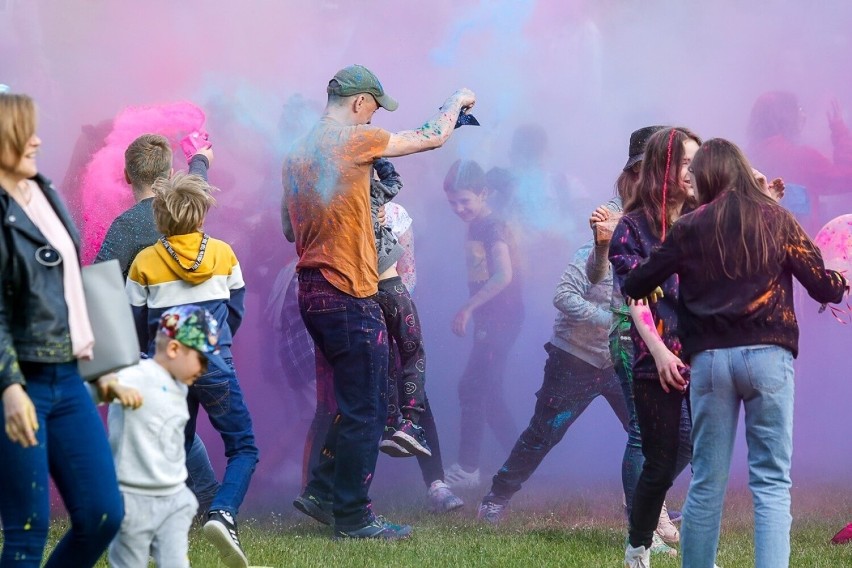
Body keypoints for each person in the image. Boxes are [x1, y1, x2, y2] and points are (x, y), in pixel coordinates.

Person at [623, 137, 848, 568]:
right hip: (768, 357)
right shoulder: (776, 219)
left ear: (706, 177)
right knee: (771, 482)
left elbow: (635, 284)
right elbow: (821, 284)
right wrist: (841, 278)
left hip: (709, 363)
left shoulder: (690, 226)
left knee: (707, 480)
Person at [282, 63, 474, 540]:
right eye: (372, 109)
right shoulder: (351, 140)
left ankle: (322, 494)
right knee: (368, 407)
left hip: (311, 291)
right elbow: (430, 137)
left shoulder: (296, 153)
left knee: (349, 402)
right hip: (349, 291)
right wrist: (456, 102)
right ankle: (354, 516)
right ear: (359, 102)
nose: (372, 119)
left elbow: (289, 229)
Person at [0, 92, 124, 567]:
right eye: (21, 132)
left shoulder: (42, 190)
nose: (36, 139)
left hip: (68, 376)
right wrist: (9, 386)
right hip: (22, 381)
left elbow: (71, 279)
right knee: (27, 530)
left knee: (102, 516)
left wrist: (100, 363)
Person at [126, 172, 258, 568]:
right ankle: (223, 514)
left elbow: (135, 322)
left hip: (166, 371)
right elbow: (235, 311)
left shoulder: (144, 261)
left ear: (160, 219)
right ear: (201, 214)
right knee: (244, 447)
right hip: (215, 363)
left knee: (173, 448)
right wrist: (218, 348)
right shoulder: (223, 254)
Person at [93, 132, 221, 516]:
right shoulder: (189, 207)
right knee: (170, 422)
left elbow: (101, 287)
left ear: (126, 176)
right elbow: (196, 180)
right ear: (169, 172)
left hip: (148, 347)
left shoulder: (126, 227)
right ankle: (200, 499)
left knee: (158, 424)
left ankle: (203, 498)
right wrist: (200, 158)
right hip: (194, 337)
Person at [476, 239, 630, 524]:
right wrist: (611, 320)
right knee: (542, 435)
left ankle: (648, 512)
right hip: (574, 359)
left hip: (621, 360)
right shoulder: (592, 253)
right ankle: (496, 498)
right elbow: (563, 296)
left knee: (646, 433)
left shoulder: (650, 252)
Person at [587, 126, 686, 554]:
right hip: (629, 334)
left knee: (685, 435)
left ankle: (651, 499)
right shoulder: (615, 212)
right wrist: (600, 246)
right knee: (643, 434)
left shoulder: (682, 208)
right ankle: (641, 528)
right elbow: (595, 276)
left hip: (676, 334)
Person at [608, 127, 700, 566]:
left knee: (704, 460)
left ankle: (700, 554)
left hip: (706, 357)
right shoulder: (632, 226)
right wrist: (661, 352)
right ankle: (637, 548)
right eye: (685, 162)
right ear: (664, 167)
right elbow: (636, 296)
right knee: (659, 462)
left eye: (698, 162)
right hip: (653, 359)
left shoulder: (707, 216)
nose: (694, 171)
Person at [102, 305, 227, 568]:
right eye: (201, 359)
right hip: (132, 496)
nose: (204, 369)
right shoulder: (135, 375)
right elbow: (90, 390)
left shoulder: (179, 387)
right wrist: (110, 384)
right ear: (173, 350)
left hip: (170, 498)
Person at [442, 159, 524, 489]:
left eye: (465, 201)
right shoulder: (475, 226)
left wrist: (468, 308)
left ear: (483, 194)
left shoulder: (493, 227)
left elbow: (504, 274)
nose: (459, 209)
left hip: (501, 317)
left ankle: (468, 469)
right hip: (491, 319)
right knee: (488, 393)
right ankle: (522, 463)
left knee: (473, 387)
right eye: (452, 203)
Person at [747, 91, 852, 234]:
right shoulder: (801, 158)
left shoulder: (746, 158)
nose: (804, 116)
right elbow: (846, 178)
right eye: (798, 109)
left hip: (760, 247)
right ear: (786, 117)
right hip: (799, 249)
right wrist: (840, 131)